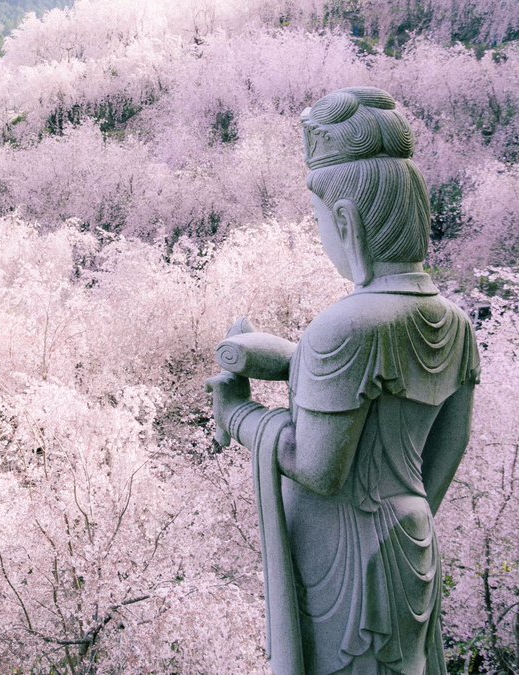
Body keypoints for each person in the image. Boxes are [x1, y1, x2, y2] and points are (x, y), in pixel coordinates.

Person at [208, 86, 479, 674]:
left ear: (346, 221)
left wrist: (239, 416)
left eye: (319, 222)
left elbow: (318, 468)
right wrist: (300, 365)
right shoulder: (453, 322)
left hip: (343, 557)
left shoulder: (346, 327)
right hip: (411, 541)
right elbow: (450, 443)